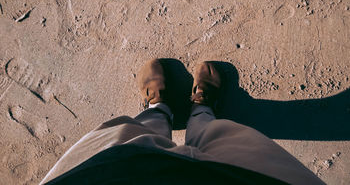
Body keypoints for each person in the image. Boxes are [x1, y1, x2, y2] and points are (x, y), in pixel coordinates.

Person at [40, 59, 324, 184]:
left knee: (132, 136)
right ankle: (202, 111)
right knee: (227, 140)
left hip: (104, 177)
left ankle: (159, 108)